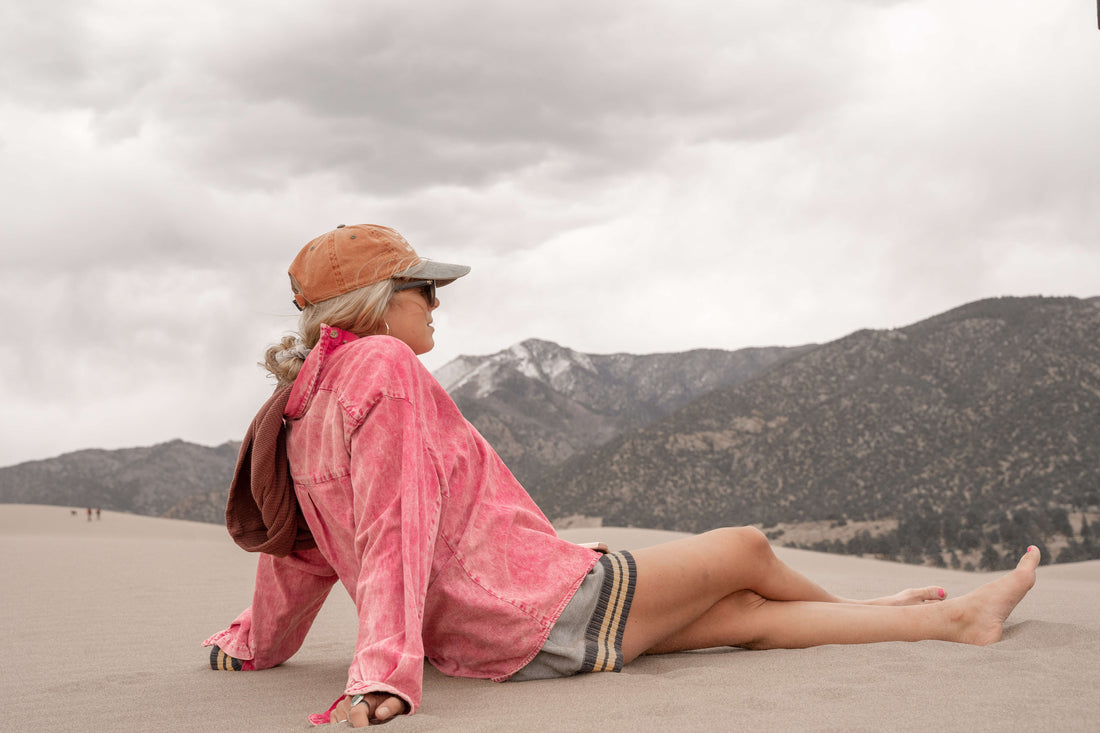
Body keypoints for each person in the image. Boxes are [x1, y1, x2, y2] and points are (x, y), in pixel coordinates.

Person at [205, 223, 1040, 728]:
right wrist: (383, 674)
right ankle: (878, 605)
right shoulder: (382, 367)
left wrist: (256, 645)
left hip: (486, 633)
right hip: (529, 606)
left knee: (744, 616)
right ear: (377, 301)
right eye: (424, 286)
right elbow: (394, 523)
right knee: (746, 546)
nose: (436, 302)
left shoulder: (297, 404)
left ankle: (952, 620)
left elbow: (300, 546)